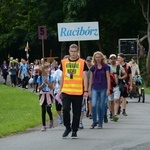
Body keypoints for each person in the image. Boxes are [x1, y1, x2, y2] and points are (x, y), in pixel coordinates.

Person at [60, 44, 88, 138]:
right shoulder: (63, 62)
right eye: (71, 51)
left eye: (75, 51)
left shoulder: (82, 62)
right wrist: (60, 90)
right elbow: (62, 76)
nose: (73, 53)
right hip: (66, 90)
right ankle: (67, 127)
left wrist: (86, 90)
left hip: (78, 91)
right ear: (69, 51)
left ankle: (74, 130)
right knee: (66, 109)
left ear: (78, 52)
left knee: (77, 112)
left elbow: (85, 77)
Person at [88, 51, 110, 129]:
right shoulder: (93, 67)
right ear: (94, 58)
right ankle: (94, 121)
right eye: (96, 57)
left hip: (103, 87)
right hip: (95, 87)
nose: (98, 59)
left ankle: (100, 123)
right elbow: (91, 79)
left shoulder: (105, 66)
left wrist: (108, 89)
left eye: (99, 57)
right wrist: (89, 89)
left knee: (101, 105)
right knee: (93, 105)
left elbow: (108, 78)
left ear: (101, 58)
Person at [108, 54, 127, 121]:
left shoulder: (119, 67)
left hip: (117, 86)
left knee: (116, 100)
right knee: (110, 101)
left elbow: (125, 74)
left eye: (114, 58)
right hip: (109, 87)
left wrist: (121, 77)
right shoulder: (107, 67)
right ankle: (112, 113)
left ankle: (115, 114)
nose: (113, 60)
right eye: (111, 58)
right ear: (109, 59)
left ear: (116, 59)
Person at [37, 62, 54, 131]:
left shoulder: (50, 77)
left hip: (49, 94)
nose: (47, 70)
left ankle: (51, 119)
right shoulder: (39, 78)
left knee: (48, 109)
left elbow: (51, 87)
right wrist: (43, 84)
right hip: (42, 94)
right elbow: (39, 88)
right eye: (45, 68)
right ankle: (43, 125)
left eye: (48, 68)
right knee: (43, 110)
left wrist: (47, 82)